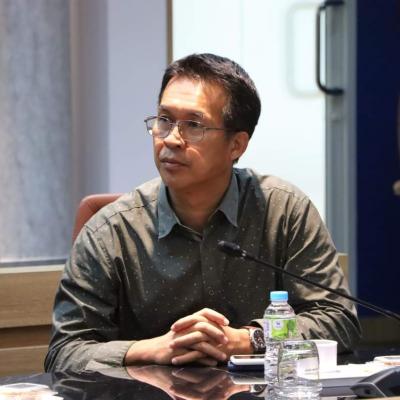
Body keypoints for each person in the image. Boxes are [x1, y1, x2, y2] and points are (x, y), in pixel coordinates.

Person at [45, 53, 361, 372]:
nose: (171, 139)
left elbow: (337, 321)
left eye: (193, 125)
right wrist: (155, 348)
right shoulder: (111, 231)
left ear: (236, 145)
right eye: (164, 120)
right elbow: (64, 352)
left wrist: (250, 339)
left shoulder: (284, 211)